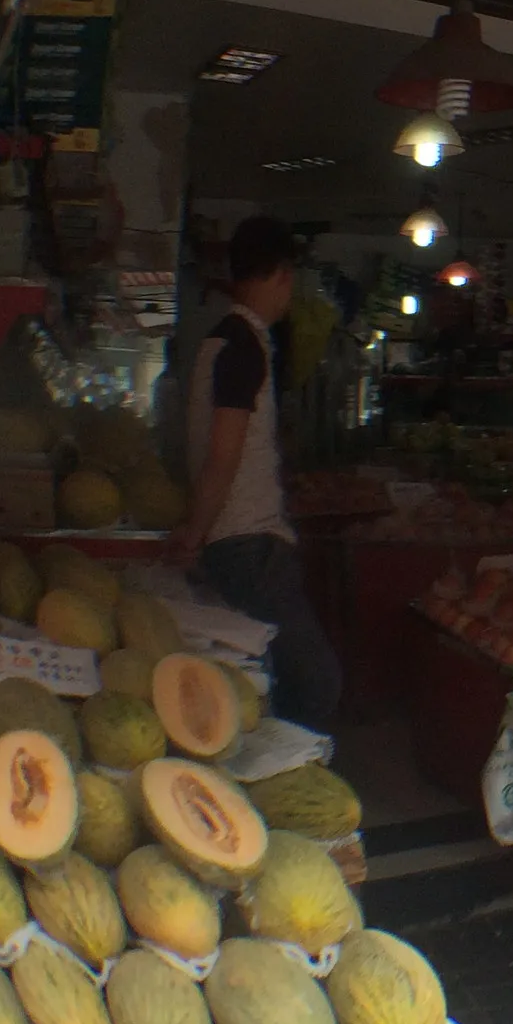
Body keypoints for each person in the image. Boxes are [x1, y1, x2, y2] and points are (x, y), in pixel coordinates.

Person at [170, 216, 343, 725]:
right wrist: (194, 536)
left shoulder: (223, 340)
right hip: (247, 546)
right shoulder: (242, 346)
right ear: (282, 275)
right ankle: (290, 769)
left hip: (241, 543)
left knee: (265, 676)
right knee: (317, 680)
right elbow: (224, 454)